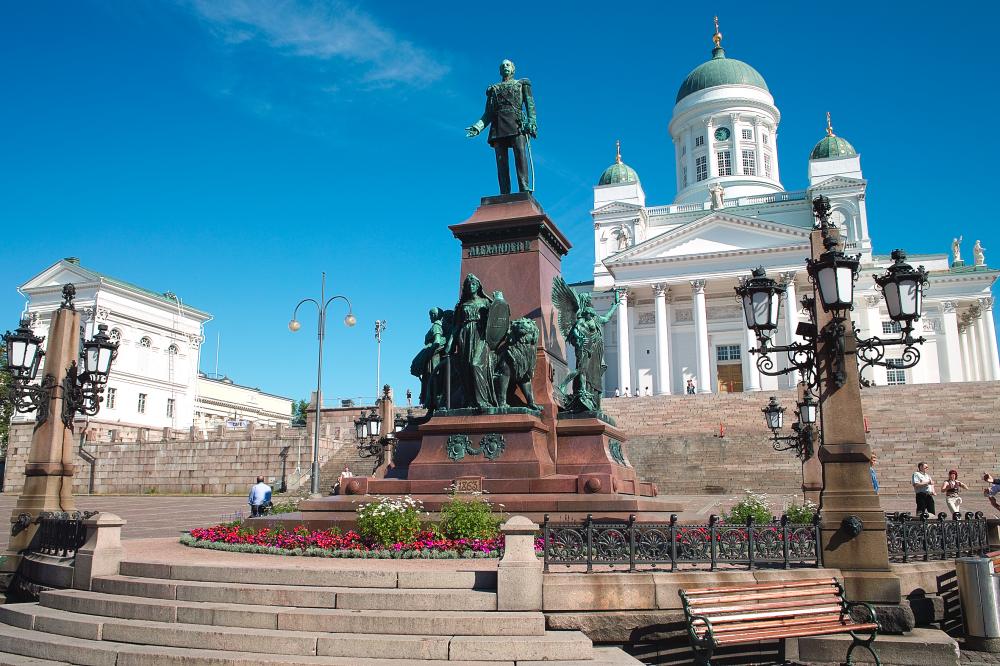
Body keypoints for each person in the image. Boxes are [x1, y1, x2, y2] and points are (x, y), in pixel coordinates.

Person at [465, 59, 537, 195]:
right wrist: (477, 127)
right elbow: (488, 113)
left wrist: (532, 122)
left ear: (513, 69)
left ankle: (524, 188)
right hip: (498, 125)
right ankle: (504, 192)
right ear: (500, 71)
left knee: (520, 155)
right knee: (501, 162)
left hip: (517, 123)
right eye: (503, 66)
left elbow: (530, 105)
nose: (505, 67)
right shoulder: (494, 89)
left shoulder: (521, 84)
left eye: (508, 65)